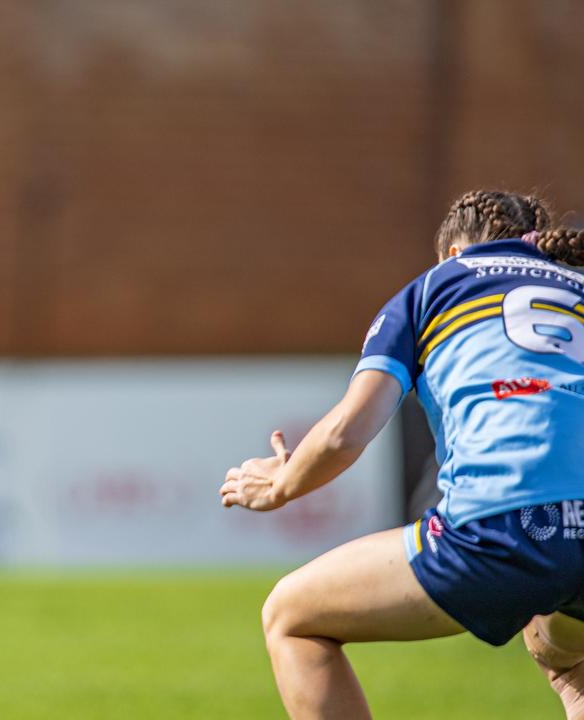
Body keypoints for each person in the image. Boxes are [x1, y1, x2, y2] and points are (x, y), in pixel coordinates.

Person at [219, 190, 584, 719]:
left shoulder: (434, 288)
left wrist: (280, 483)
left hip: (502, 528)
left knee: (290, 616)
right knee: (568, 660)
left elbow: (348, 432)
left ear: (451, 251)